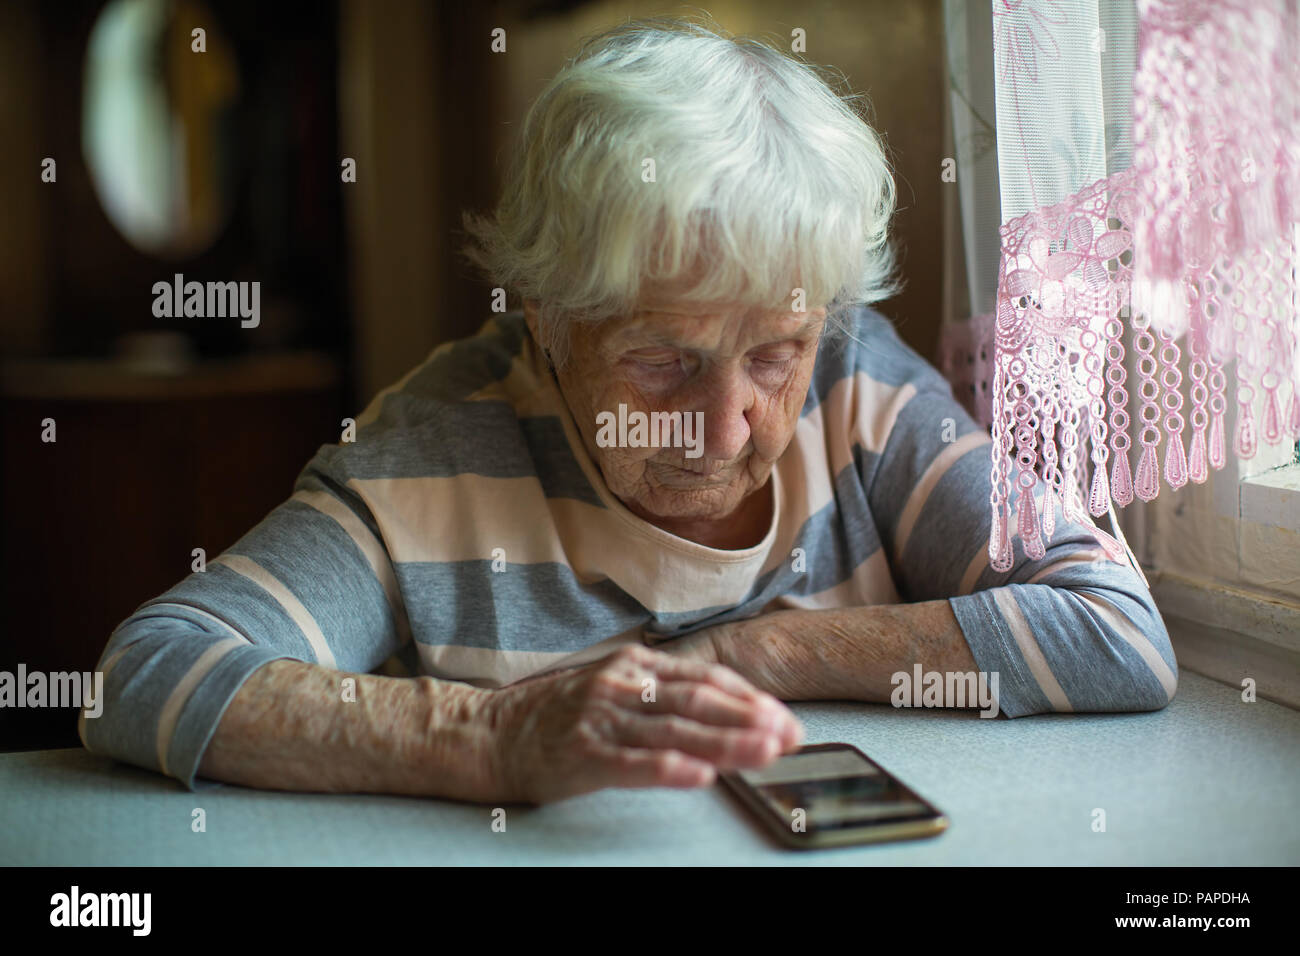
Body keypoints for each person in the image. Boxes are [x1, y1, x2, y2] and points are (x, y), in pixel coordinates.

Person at [80, 17, 1176, 806]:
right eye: (661, 360)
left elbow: (1116, 632)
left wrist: (762, 653)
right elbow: (149, 673)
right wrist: (492, 738)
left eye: (773, 352)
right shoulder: (425, 460)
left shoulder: (857, 385)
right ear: (550, 317)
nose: (727, 424)